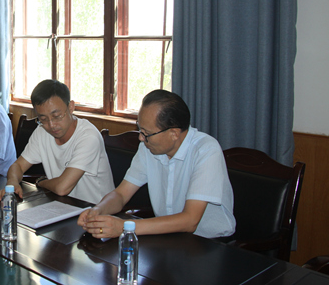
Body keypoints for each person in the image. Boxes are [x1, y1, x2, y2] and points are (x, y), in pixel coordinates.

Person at [77, 89, 235, 239]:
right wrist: (98, 210)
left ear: (174, 133)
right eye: (140, 130)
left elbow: (190, 220)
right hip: (167, 236)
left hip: (209, 242)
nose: (141, 138)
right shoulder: (148, 147)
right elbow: (121, 194)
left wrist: (125, 227)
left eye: (146, 133)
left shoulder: (206, 150)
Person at [0, 79, 114, 204]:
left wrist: (41, 182)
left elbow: (62, 188)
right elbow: (18, 166)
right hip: (63, 206)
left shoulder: (88, 136)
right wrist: (12, 182)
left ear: (71, 107)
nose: (51, 125)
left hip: (96, 210)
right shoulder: (42, 131)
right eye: (43, 119)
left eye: (57, 116)